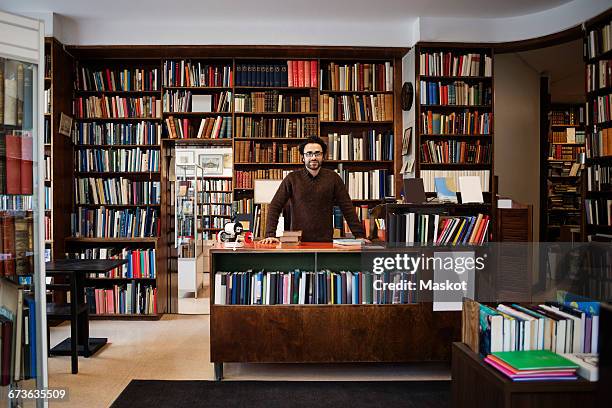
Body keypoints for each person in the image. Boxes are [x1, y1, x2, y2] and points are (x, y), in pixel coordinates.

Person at [259, 136, 369, 244]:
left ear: (323, 156)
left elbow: (347, 207)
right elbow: (275, 205)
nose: (313, 157)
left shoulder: (333, 178)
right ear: (303, 157)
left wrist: (359, 235)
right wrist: (270, 234)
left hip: (325, 243)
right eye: (309, 154)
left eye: (317, 153)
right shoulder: (292, 178)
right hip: (298, 243)